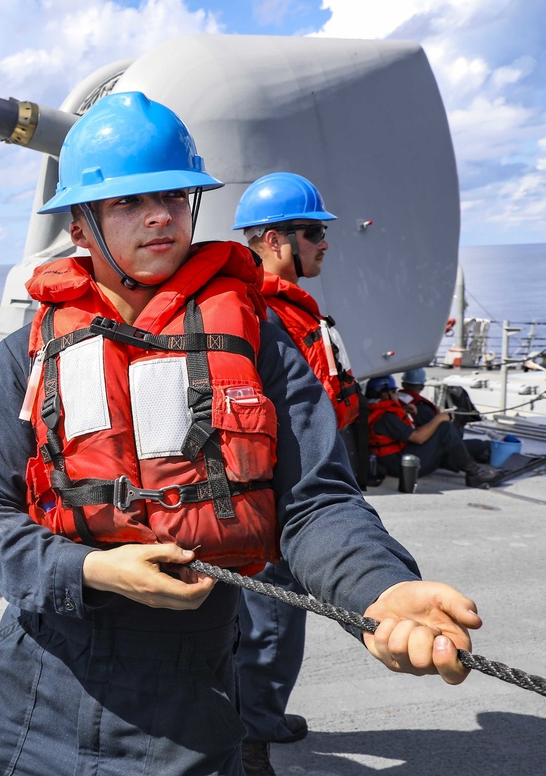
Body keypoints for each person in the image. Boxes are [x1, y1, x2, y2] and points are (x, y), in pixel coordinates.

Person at [0, 92, 482, 776]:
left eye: (173, 194)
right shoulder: (26, 355)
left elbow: (317, 501)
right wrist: (87, 568)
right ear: (80, 227)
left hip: (183, 710)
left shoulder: (261, 344)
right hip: (25, 698)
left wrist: (380, 589)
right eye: (129, 202)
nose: (160, 214)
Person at [230, 172, 363, 773]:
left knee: (271, 620)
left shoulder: (280, 308)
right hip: (282, 494)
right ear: (274, 240)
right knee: (271, 623)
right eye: (314, 232)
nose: (324, 243)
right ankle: (249, 740)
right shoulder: (265, 314)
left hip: (300, 481)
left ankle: (262, 717)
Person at [367, 375, 498, 487]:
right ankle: (474, 474)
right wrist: (439, 418)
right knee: (445, 428)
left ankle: (485, 451)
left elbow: (400, 432)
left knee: (474, 445)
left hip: (401, 457)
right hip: (402, 465)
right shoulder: (386, 417)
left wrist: (404, 412)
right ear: (385, 394)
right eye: (394, 391)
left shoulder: (382, 412)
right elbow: (417, 438)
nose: (397, 394)